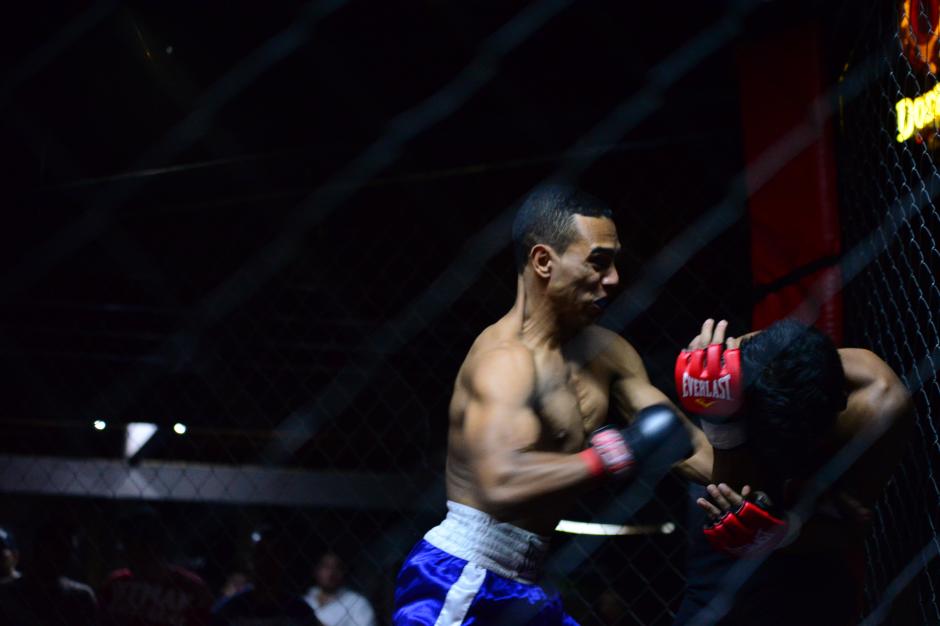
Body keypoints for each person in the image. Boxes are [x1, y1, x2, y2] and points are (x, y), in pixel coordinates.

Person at [393, 184, 711, 625]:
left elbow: (692, 450)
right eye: (598, 262)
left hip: (525, 584)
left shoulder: (609, 354)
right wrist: (619, 454)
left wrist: (722, 402)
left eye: (614, 261)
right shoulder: (505, 360)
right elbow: (498, 482)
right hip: (462, 578)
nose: (615, 278)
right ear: (544, 261)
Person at [672, 318, 913, 626]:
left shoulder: (881, 408)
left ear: (838, 405)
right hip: (736, 481)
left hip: (809, 548)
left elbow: (851, 527)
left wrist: (783, 532)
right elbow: (731, 492)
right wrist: (719, 424)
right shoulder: (742, 365)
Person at [99, 506, 214, 626]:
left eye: (128, 541)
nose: (122, 549)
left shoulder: (192, 589)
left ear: (152, 545)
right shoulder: (116, 583)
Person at [211, 526, 321, 626]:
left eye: (275, 554)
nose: (267, 561)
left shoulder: (299, 611)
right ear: (251, 560)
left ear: (284, 560)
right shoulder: (230, 609)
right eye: (261, 553)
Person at [0, 519, 98, 626]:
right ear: (39, 550)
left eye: (69, 550)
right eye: (59, 549)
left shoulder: (81, 597)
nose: (67, 557)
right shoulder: (7, 595)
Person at [304, 551, 375, 626]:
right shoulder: (305, 600)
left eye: (336, 568)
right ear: (316, 570)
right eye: (325, 566)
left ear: (344, 572)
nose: (330, 573)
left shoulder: (358, 603)